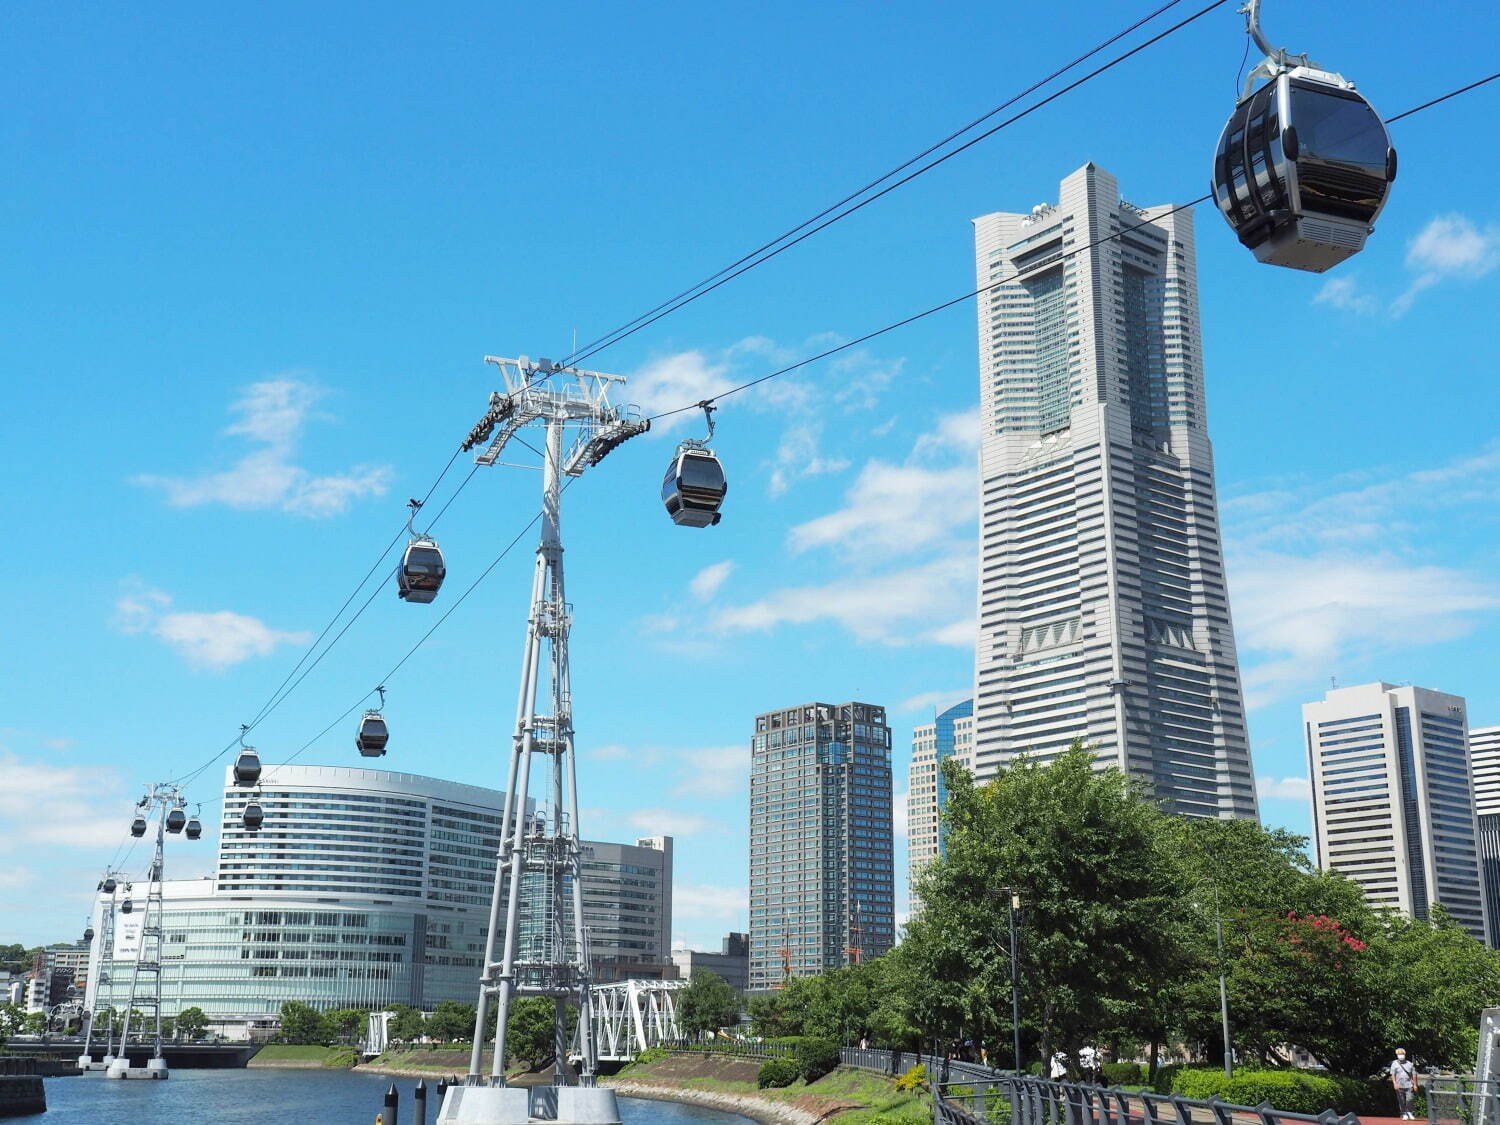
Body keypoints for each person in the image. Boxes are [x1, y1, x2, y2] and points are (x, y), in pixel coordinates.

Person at [1390, 1047, 1418, 1119]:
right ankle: (1404, 1113)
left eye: (1402, 1054)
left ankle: (1409, 1112)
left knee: (1410, 1099)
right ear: (1397, 1055)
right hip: (1399, 1085)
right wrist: (1394, 1083)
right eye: (1399, 1054)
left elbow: (1414, 1074)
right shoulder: (1394, 1063)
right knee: (1401, 1101)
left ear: (1404, 1054)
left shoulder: (1410, 1064)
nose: (1401, 1055)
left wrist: (1415, 1085)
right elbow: (1393, 1074)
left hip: (1409, 1085)